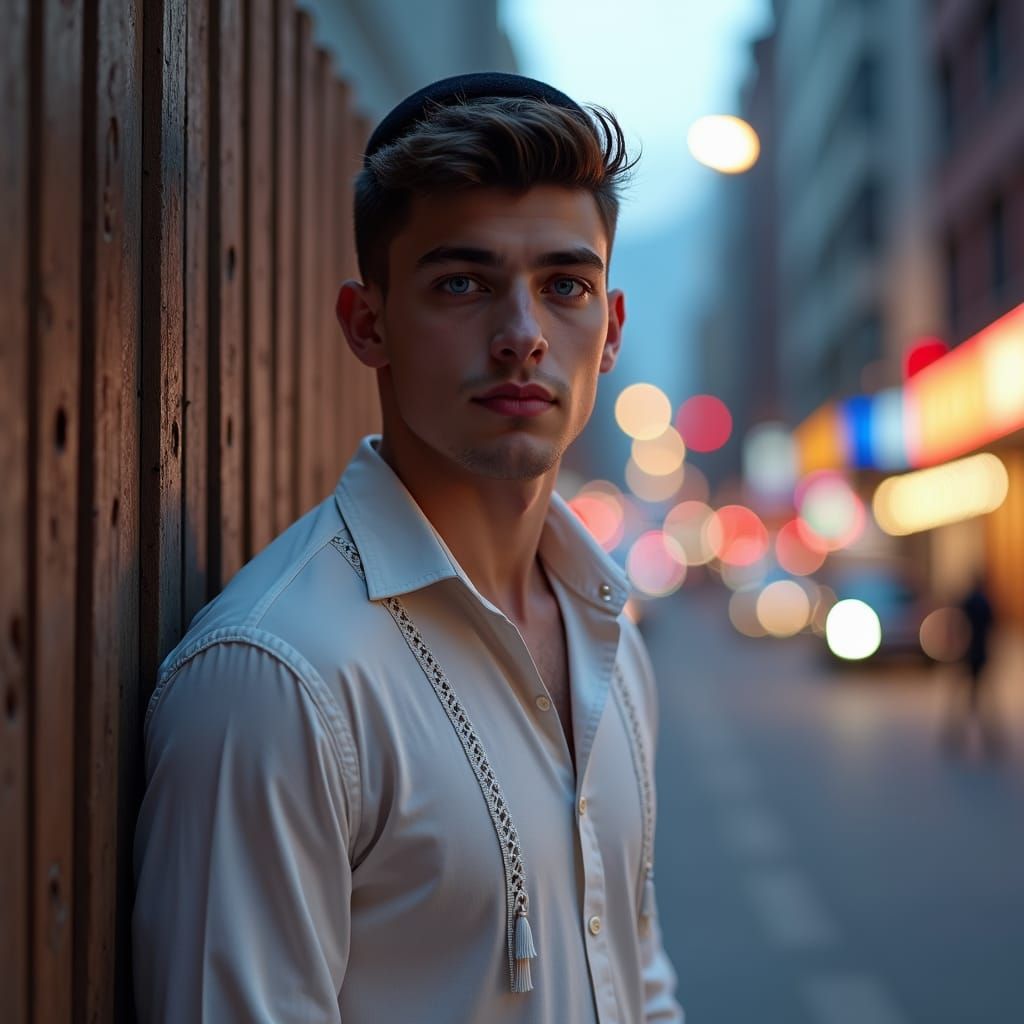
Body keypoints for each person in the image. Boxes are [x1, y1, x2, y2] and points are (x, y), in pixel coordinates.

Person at [133, 72, 684, 1023]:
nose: (521, 337)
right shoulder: (278, 678)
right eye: (462, 283)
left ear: (611, 329)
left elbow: (639, 981)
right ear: (368, 323)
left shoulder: (610, 641)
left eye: (565, 286)